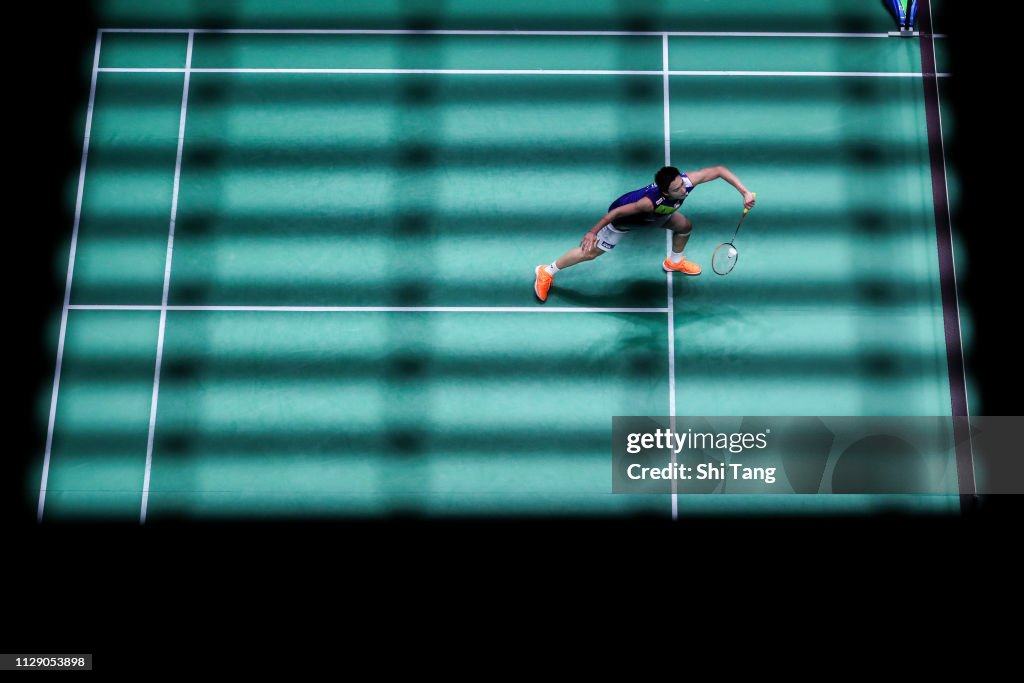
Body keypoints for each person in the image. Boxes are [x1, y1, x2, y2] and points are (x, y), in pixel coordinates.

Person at [533, 165, 756, 302]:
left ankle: (674, 262)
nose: (682, 190)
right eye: (676, 189)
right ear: (665, 191)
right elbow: (615, 213)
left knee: (685, 226)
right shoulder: (647, 203)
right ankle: (547, 271)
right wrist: (592, 232)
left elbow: (718, 170)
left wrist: (744, 191)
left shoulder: (687, 182)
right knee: (590, 254)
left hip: (658, 217)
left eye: (681, 184)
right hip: (626, 222)